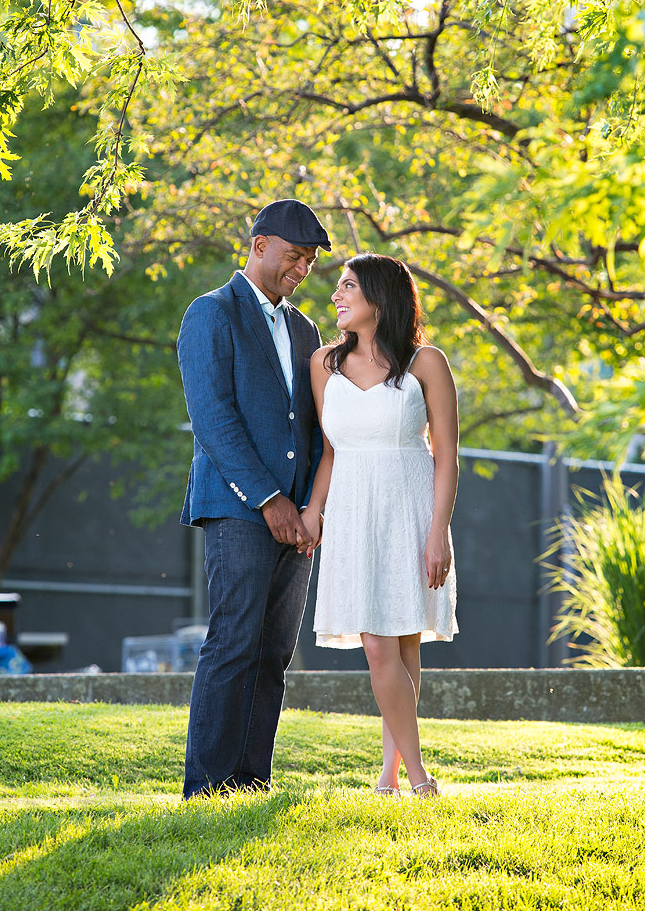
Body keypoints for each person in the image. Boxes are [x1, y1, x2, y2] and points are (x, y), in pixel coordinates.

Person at [177, 199, 331, 798]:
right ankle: (206, 787)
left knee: (273, 653)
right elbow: (213, 421)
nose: (302, 268)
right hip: (240, 509)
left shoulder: (305, 330)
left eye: (311, 260)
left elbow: (317, 426)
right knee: (234, 642)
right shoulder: (210, 314)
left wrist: (311, 509)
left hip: (298, 520)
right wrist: (271, 500)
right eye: (295, 255)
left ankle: (249, 781)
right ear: (260, 244)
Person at [303, 254, 459, 798]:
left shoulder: (426, 363)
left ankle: (396, 776)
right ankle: (415, 777)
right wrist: (312, 512)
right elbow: (328, 452)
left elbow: (446, 457)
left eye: (347, 286)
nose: (336, 296)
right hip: (351, 510)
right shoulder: (322, 363)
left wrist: (437, 533)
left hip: (410, 508)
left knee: (404, 644)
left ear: (380, 296)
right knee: (378, 645)